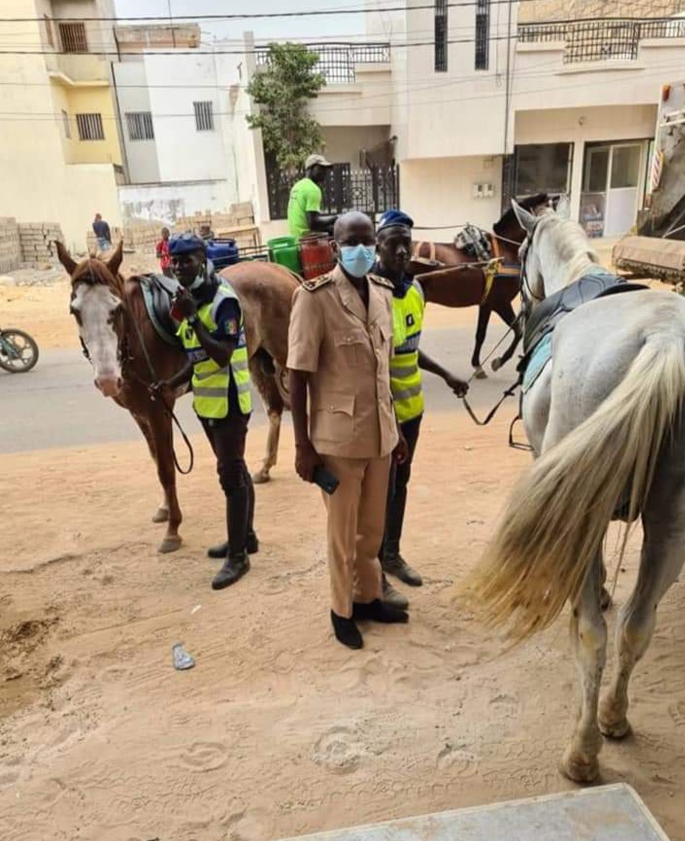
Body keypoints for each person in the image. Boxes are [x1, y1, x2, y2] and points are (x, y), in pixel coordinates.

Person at [287, 211, 409, 650]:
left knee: (371, 529)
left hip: (378, 435)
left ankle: (368, 595)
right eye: (351, 242)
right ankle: (342, 610)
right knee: (342, 534)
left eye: (367, 241)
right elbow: (297, 375)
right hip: (337, 440)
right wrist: (302, 446)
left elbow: (383, 368)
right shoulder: (314, 298)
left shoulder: (382, 292)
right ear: (335, 247)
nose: (361, 249)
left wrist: (395, 428)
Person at [150, 231, 257, 590]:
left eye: (186, 260)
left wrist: (194, 318)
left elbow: (222, 354)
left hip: (229, 403)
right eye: (174, 261)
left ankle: (238, 557)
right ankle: (247, 536)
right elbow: (196, 356)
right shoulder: (188, 298)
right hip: (207, 403)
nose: (179, 266)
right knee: (237, 471)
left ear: (202, 259)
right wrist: (171, 384)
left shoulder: (223, 300)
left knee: (231, 478)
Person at [374, 209, 469, 606]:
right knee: (381, 490)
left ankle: (391, 553)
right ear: (378, 245)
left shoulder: (414, 291)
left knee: (401, 485)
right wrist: (389, 417)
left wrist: (447, 374)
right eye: (392, 243)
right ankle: (373, 566)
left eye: (405, 243)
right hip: (383, 415)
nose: (400, 251)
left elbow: (410, 350)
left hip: (412, 410)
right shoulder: (369, 293)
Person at [287, 154, 338, 239]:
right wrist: (335, 218)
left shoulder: (297, 186)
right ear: (310, 169)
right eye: (321, 168)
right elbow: (313, 223)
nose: (324, 172)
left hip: (295, 238)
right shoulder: (312, 189)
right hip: (307, 239)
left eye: (325, 169)